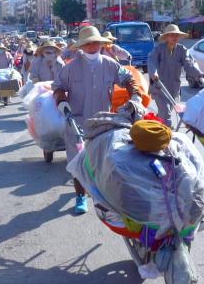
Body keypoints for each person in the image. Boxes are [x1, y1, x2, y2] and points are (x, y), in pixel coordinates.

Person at [52, 26, 142, 214]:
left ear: (101, 44)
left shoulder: (110, 64)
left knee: (103, 159)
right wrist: (61, 101)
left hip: (103, 122)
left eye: (96, 42)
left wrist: (134, 95)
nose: (93, 46)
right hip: (76, 122)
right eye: (88, 43)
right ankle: (80, 196)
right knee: (78, 160)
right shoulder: (70, 68)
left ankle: (103, 191)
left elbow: (128, 80)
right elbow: (58, 86)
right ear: (82, 46)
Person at [148, 24, 204, 127]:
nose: (174, 37)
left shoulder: (182, 50)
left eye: (176, 35)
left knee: (164, 113)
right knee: (166, 113)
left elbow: (189, 63)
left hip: (174, 89)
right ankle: (167, 135)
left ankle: (156, 126)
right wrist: (154, 73)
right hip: (160, 88)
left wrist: (199, 75)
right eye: (171, 35)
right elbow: (152, 61)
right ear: (166, 37)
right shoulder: (159, 49)